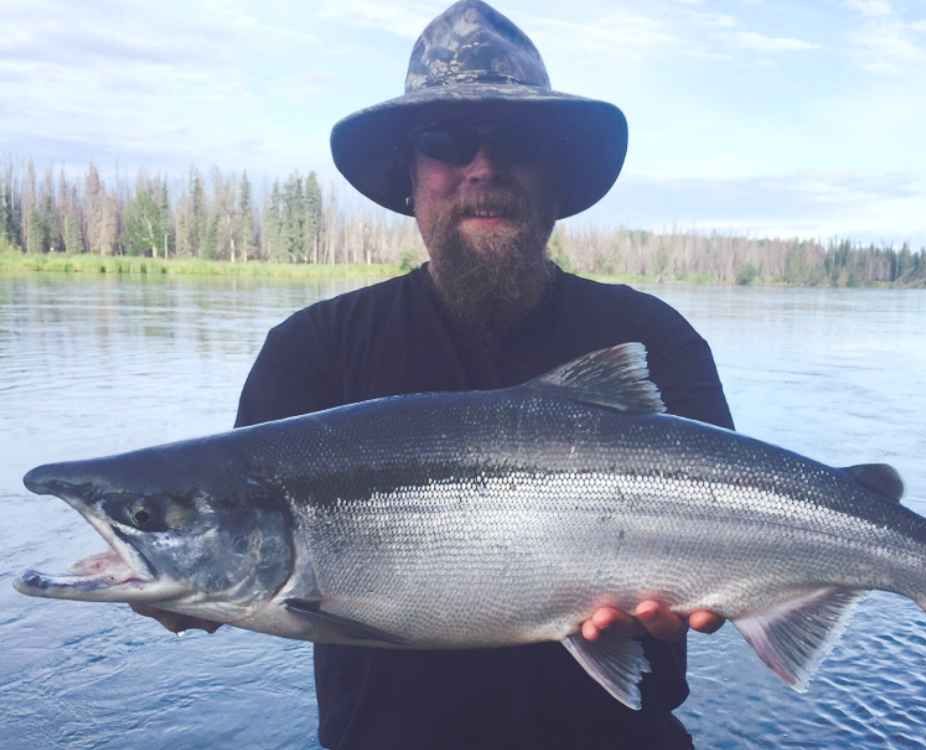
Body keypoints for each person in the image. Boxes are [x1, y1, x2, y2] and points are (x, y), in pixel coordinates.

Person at [134, 1, 734, 747]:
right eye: (447, 141)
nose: (484, 166)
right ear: (409, 182)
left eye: (515, 139)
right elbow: (244, 551)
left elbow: (736, 547)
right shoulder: (312, 350)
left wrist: (721, 596)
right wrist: (178, 582)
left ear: (555, 180)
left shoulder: (653, 337)